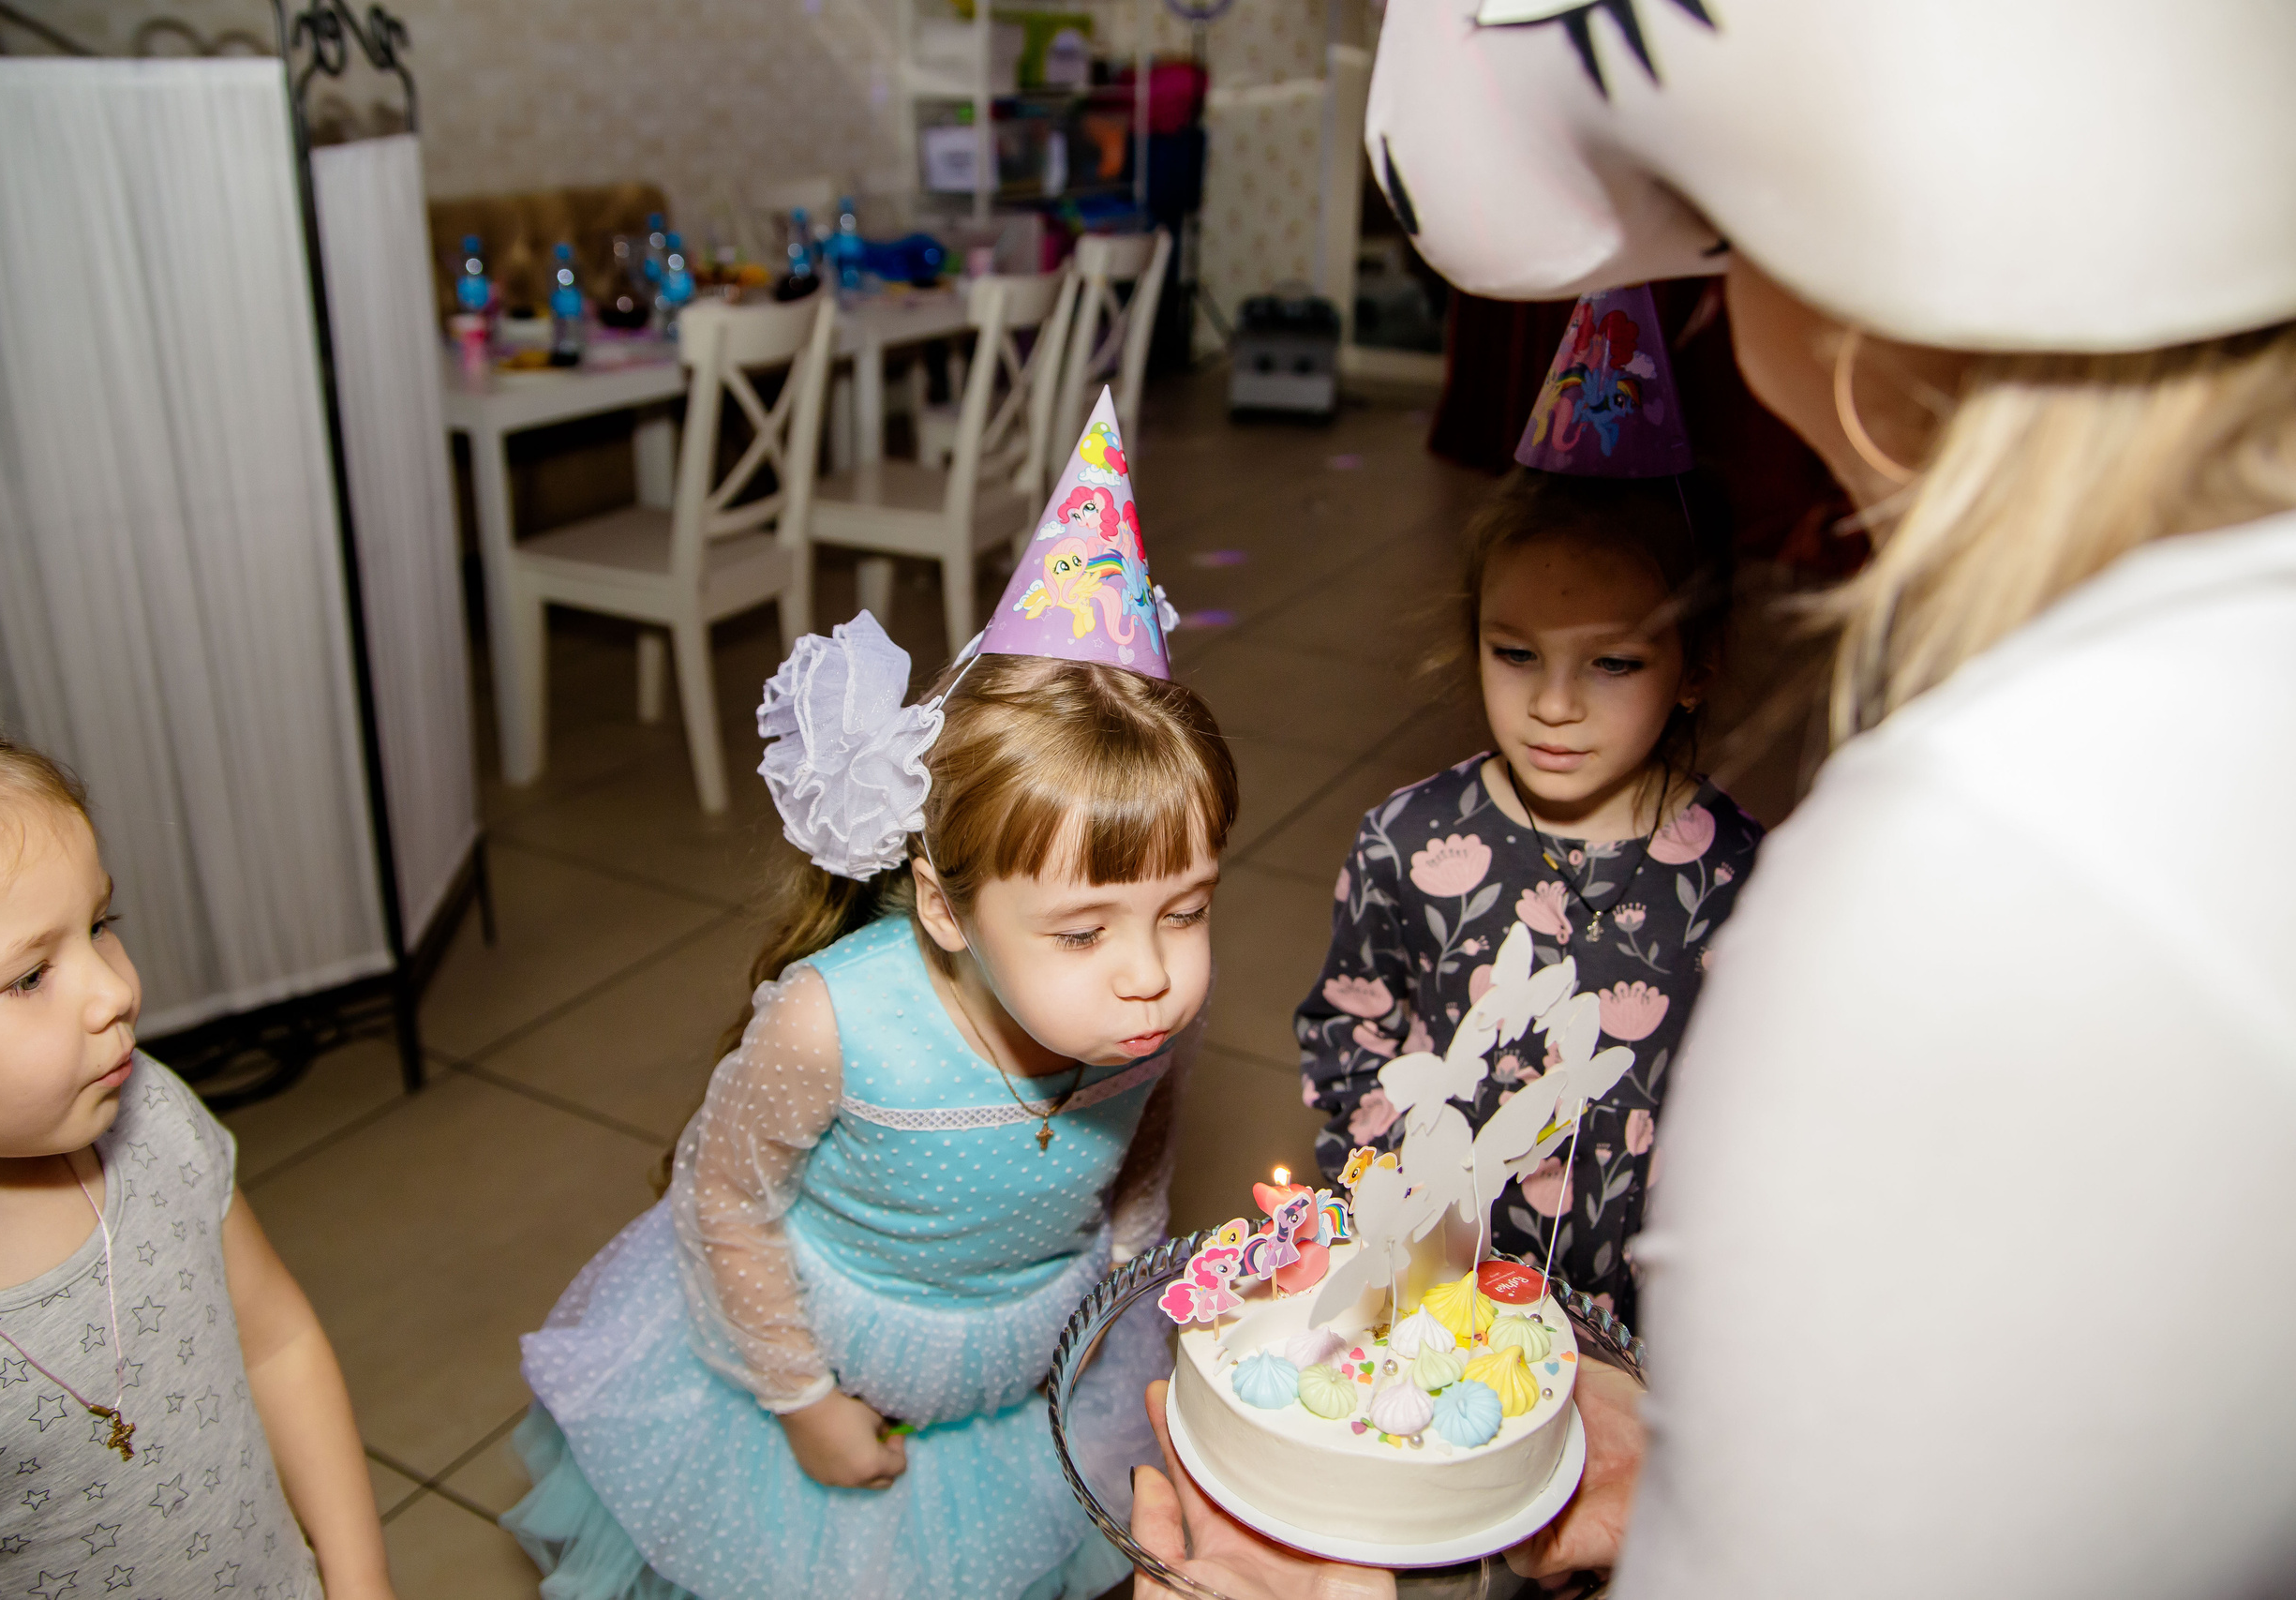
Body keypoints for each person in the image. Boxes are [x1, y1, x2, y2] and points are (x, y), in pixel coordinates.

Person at [1132, 1, 2296, 1595]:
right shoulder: (1423, 839)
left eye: (1722, 243)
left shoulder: (1926, 873)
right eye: (1514, 651)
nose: (1716, 294)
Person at [503, 393, 1237, 1600]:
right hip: (822, 1352)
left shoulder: (1137, 1007)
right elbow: (727, 1201)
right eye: (1080, 927)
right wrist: (797, 1403)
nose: (1151, 973)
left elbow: (1143, 1134)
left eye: (1188, 908)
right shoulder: (831, 1023)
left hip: (1033, 1352)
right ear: (945, 905)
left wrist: (1117, 1267)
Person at [1296, 345, 1760, 1325]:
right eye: (1514, 653)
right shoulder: (1406, 842)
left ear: (1695, 665)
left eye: (1613, 663)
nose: (1551, 704)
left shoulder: (1739, 877)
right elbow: (1349, 1031)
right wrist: (1382, 1202)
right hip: (1438, 1301)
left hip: (1637, 1328)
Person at [0, 719, 393, 1598]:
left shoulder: (151, 1114)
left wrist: (358, 1581)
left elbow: (278, 1342)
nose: (117, 988)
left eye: (99, 925)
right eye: (29, 976)